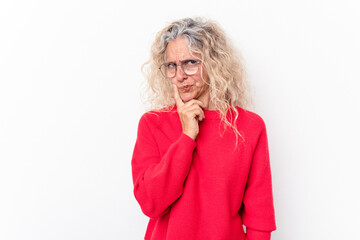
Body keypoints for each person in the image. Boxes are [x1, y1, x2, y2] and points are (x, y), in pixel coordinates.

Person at [131, 17, 277, 240]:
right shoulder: (153, 123)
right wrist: (187, 136)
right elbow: (151, 204)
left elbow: (259, 221)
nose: (180, 76)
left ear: (213, 62)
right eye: (172, 65)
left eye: (190, 62)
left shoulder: (249, 127)